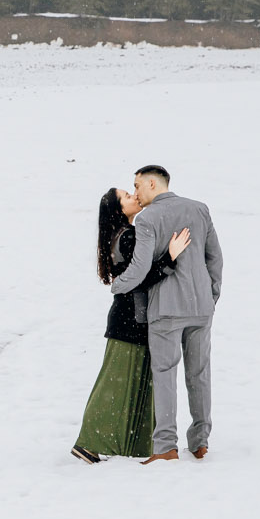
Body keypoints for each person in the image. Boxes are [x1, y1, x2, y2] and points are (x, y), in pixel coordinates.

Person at [110, 164, 222, 462]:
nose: (135, 192)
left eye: (136, 186)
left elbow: (139, 268)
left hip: (166, 310)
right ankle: (200, 442)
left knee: (164, 376)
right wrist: (211, 296)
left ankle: (165, 447)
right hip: (201, 308)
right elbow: (215, 258)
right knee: (199, 374)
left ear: (151, 184)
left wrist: (116, 284)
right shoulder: (199, 209)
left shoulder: (148, 218)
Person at [71, 188, 190, 462]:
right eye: (127, 196)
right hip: (130, 321)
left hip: (132, 320)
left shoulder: (123, 235)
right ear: (118, 210)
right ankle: (88, 442)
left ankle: (131, 444)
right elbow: (141, 277)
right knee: (115, 384)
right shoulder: (128, 237)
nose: (134, 196)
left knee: (135, 383)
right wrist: (170, 256)